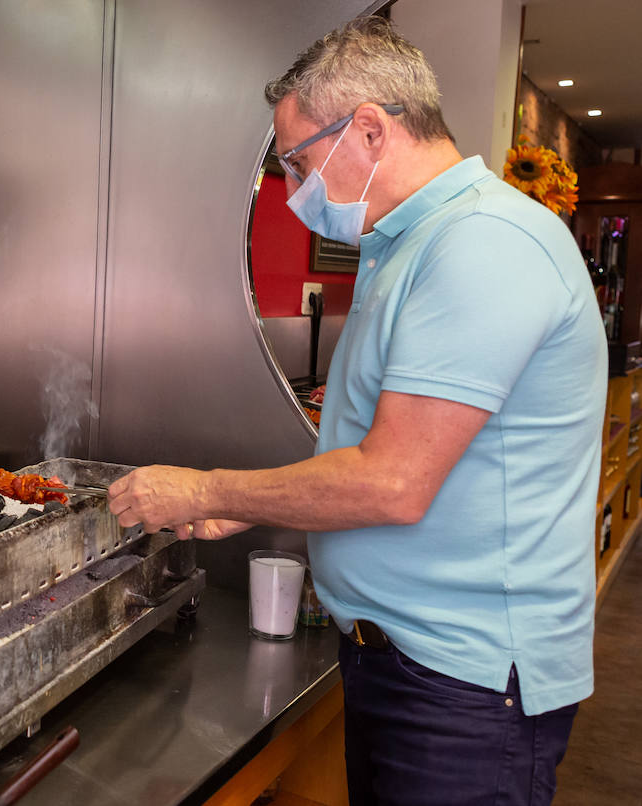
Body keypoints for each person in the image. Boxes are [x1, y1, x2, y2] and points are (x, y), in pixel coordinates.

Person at [107, 16, 606, 806]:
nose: (296, 188)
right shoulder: (410, 245)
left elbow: (392, 483)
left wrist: (209, 490)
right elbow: (371, 449)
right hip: (403, 666)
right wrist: (248, 506)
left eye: (300, 161)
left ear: (368, 129)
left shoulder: (482, 244)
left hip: (465, 691)